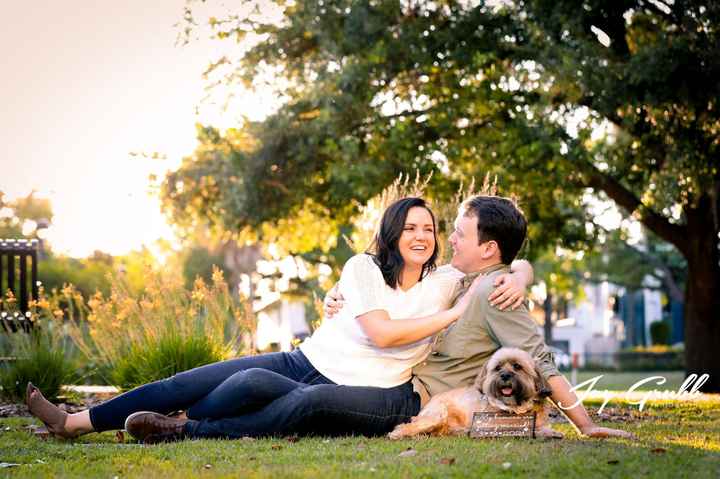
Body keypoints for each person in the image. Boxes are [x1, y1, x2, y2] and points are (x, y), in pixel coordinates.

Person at [124, 195, 633, 441]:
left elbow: (541, 360)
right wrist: (339, 298)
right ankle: (184, 418)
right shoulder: (458, 280)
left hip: (416, 402)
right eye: (445, 230)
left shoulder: (497, 291)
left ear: (487, 248)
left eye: (458, 232)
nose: (449, 239)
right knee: (261, 380)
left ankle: (187, 432)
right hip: (392, 381)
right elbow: (395, 293)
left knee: (311, 400)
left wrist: (584, 425)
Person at [26, 197, 531, 440]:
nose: (422, 235)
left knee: (289, 401)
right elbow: (379, 331)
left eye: (431, 229)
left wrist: (523, 273)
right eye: (411, 226)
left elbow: (506, 261)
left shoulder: (446, 282)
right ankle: (76, 421)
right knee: (207, 379)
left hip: (362, 385)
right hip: (303, 360)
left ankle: (185, 429)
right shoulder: (362, 267)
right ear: (392, 231)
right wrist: (450, 316)